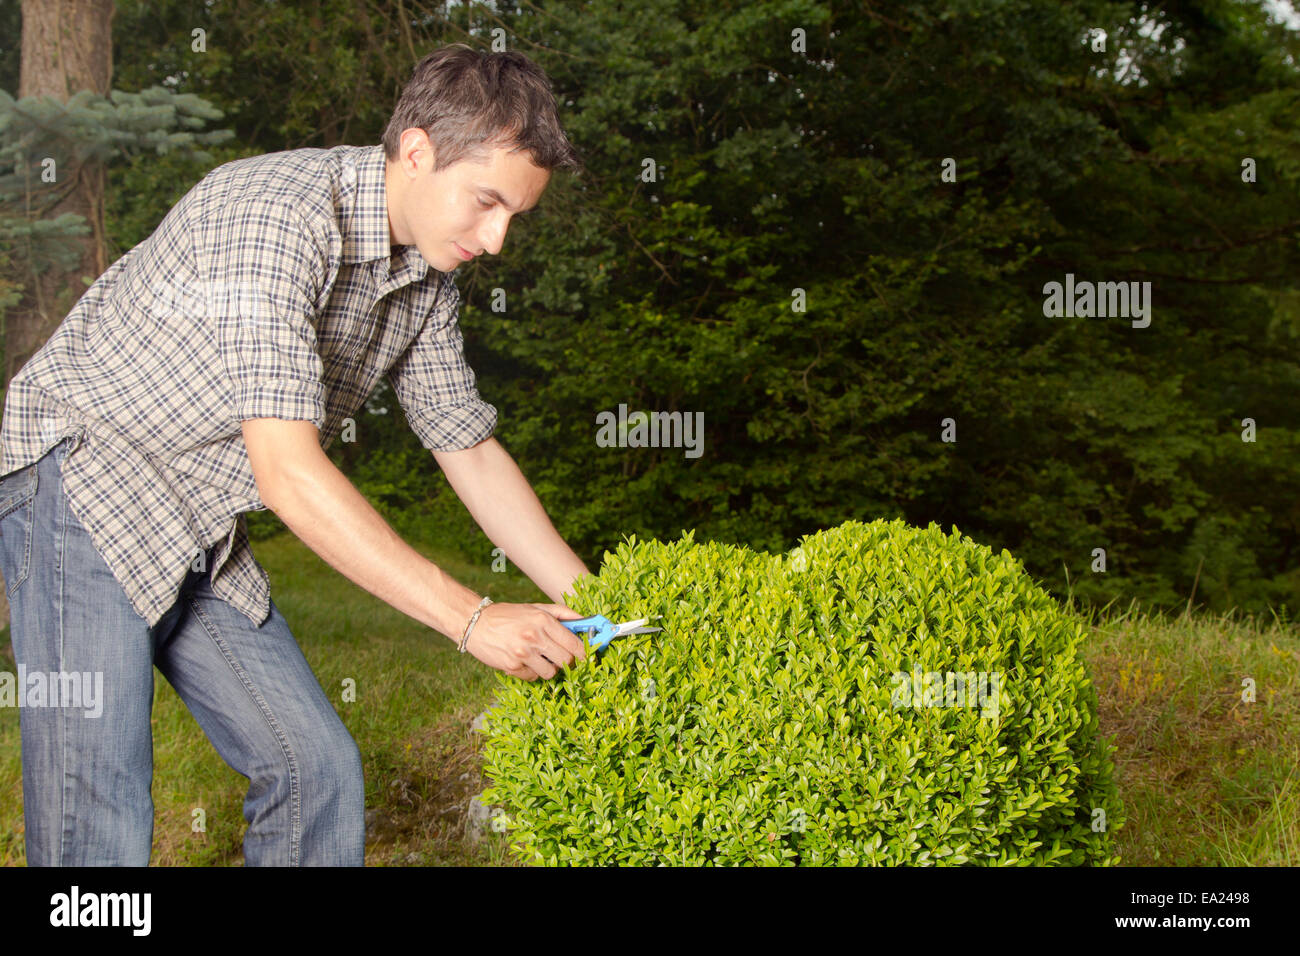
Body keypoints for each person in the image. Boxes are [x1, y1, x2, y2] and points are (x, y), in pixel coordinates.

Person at [0, 43, 592, 867]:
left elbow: (467, 442)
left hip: (198, 517)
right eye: (486, 202)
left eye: (513, 217)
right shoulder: (274, 215)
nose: (495, 239)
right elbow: (286, 471)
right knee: (97, 805)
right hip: (84, 479)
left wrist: (597, 599)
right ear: (417, 152)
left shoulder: (425, 276)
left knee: (315, 770)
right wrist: (472, 618)